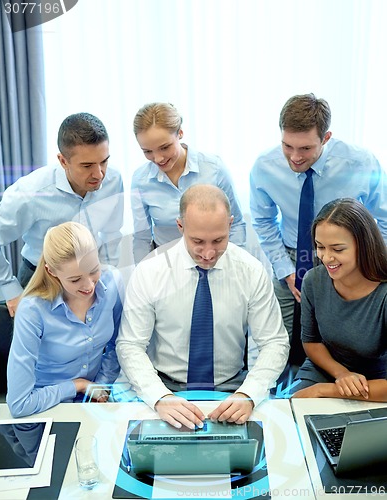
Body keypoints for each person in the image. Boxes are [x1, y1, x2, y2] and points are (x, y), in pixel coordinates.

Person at [116, 184, 289, 429]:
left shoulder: (251, 271)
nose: (208, 253)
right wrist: (159, 396)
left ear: (230, 225)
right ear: (180, 227)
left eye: (218, 240)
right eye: (197, 241)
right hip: (165, 387)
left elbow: (274, 342)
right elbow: (130, 344)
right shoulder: (150, 271)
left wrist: (249, 393)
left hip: (232, 389)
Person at [249, 93, 387, 343]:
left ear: (326, 138)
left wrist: (369, 264)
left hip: (348, 258)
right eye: (287, 146)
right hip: (293, 256)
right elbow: (263, 221)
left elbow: (385, 219)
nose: (295, 157)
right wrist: (285, 270)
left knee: (339, 339)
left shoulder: (361, 163)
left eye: (305, 148)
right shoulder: (264, 166)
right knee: (279, 340)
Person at [0, 112, 124, 317]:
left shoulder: (114, 180)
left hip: (91, 278)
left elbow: (112, 232)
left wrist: (110, 278)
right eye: (87, 166)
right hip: (42, 281)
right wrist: (10, 290)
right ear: (63, 161)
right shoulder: (29, 193)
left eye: (103, 161)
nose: (99, 174)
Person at [6, 222, 123, 418]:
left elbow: (116, 344)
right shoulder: (33, 310)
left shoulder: (113, 283)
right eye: (75, 279)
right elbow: (19, 405)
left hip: (93, 401)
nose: (89, 286)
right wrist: (77, 386)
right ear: (51, 272)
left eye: (94, 270)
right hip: (44, 405)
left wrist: (101, 386)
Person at [291, 199, 387, 402]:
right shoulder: (313, 280)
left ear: (363, 245)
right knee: (293, 410)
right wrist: (341, 374)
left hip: (378, 381)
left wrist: (325, 390)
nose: (326, 258)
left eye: (337, 249)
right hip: (325, 369)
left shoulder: (384, 293)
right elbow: (311, 342)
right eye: (320, 247)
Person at [131, 102, 246, 264]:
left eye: (165, 147)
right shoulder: (140, 180)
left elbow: (236, 224)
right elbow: (142, 237)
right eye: (147, 151)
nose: (158, 158)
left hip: (216, 261)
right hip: (168, 266)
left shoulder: (214, 168)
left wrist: (234, 265)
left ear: (180, 133)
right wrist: (141, 275)